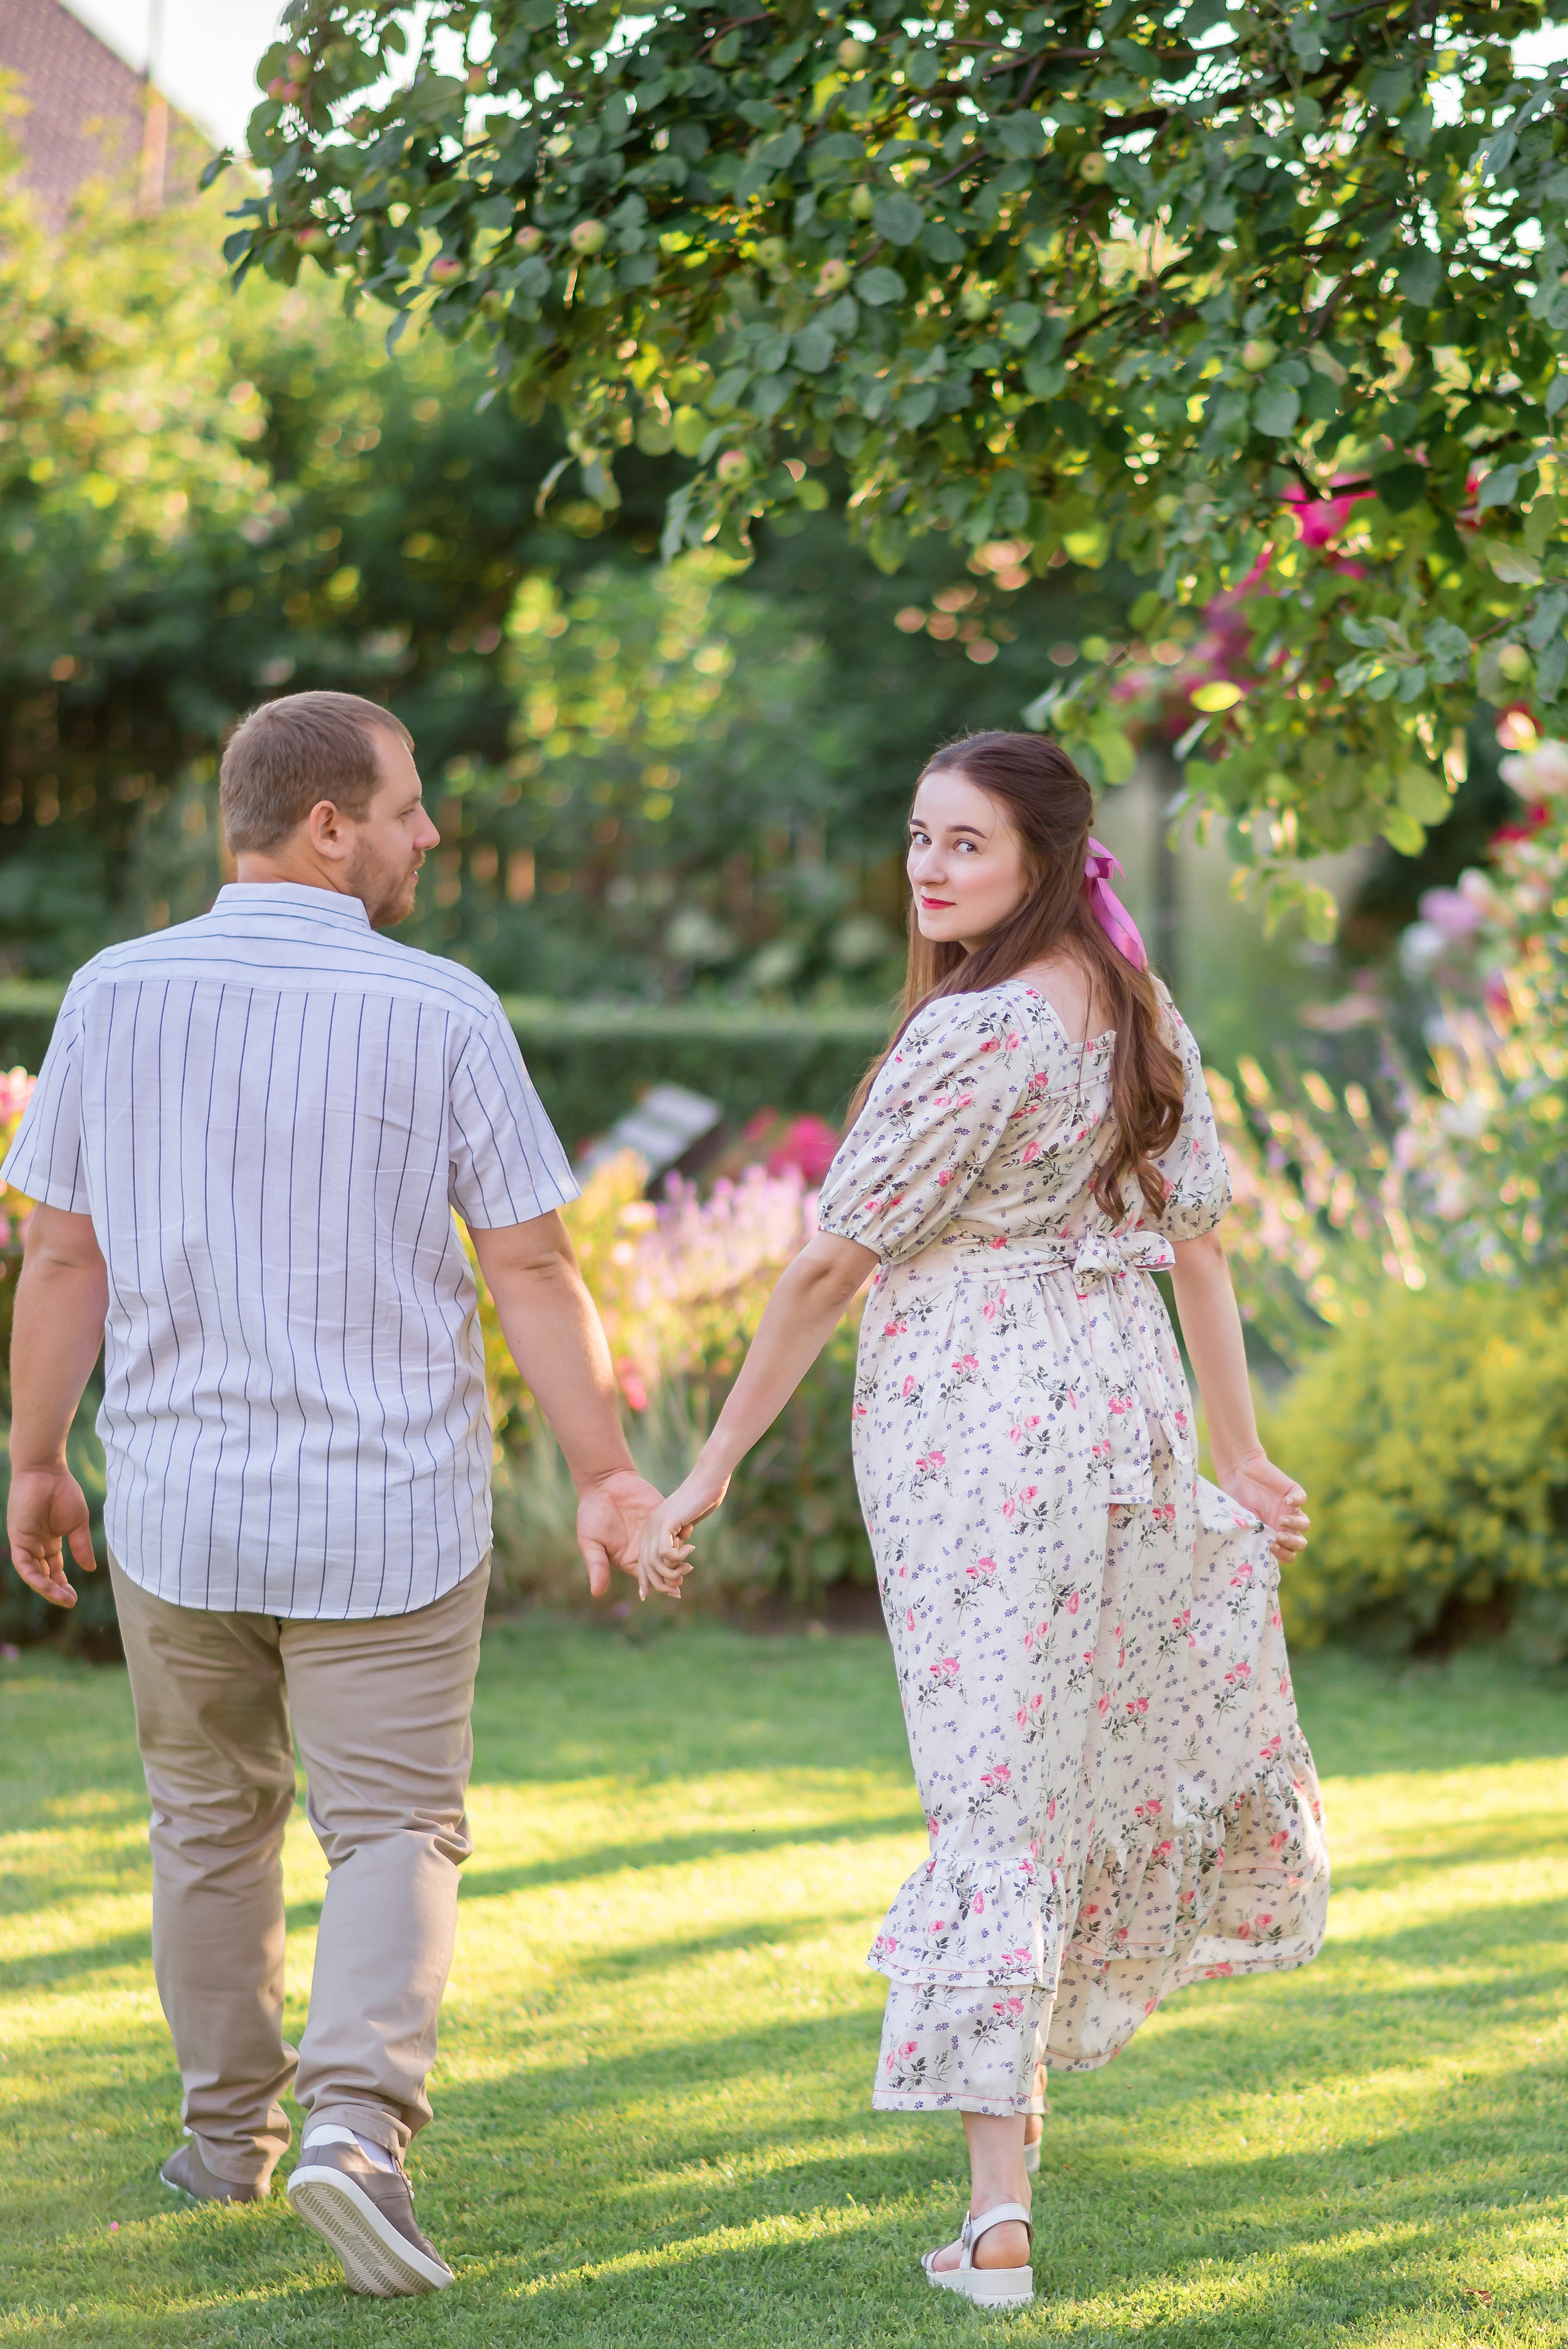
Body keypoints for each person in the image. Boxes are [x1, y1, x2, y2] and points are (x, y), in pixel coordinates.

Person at [640, 732, 1330, 2310]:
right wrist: (1230, 1443)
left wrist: (711, 1465)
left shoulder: (975, 1037)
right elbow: (1201, 1245)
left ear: (1044, 861)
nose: (929, 869)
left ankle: (998, 2218)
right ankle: (1002, 2181)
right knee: (1044, 1770)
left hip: (983, 1429)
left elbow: (830, 1264)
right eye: (917, 839)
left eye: (965, 844)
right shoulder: (1141, 1014)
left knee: (994, 1796)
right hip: (1118, 1410)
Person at [2, 690, 659, 2297]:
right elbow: (529, 1260)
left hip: (181, 1509)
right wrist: (605, 1467)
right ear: (327, 824)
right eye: (410, 805)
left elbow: (64, 1250)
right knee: (395, 1829)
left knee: (208, 1827)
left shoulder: (111, 994)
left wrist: (34, 1453)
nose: (429, 832)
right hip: (388, 1515)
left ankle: (225, 2140)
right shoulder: (440, 1007)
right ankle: (353, 2136)